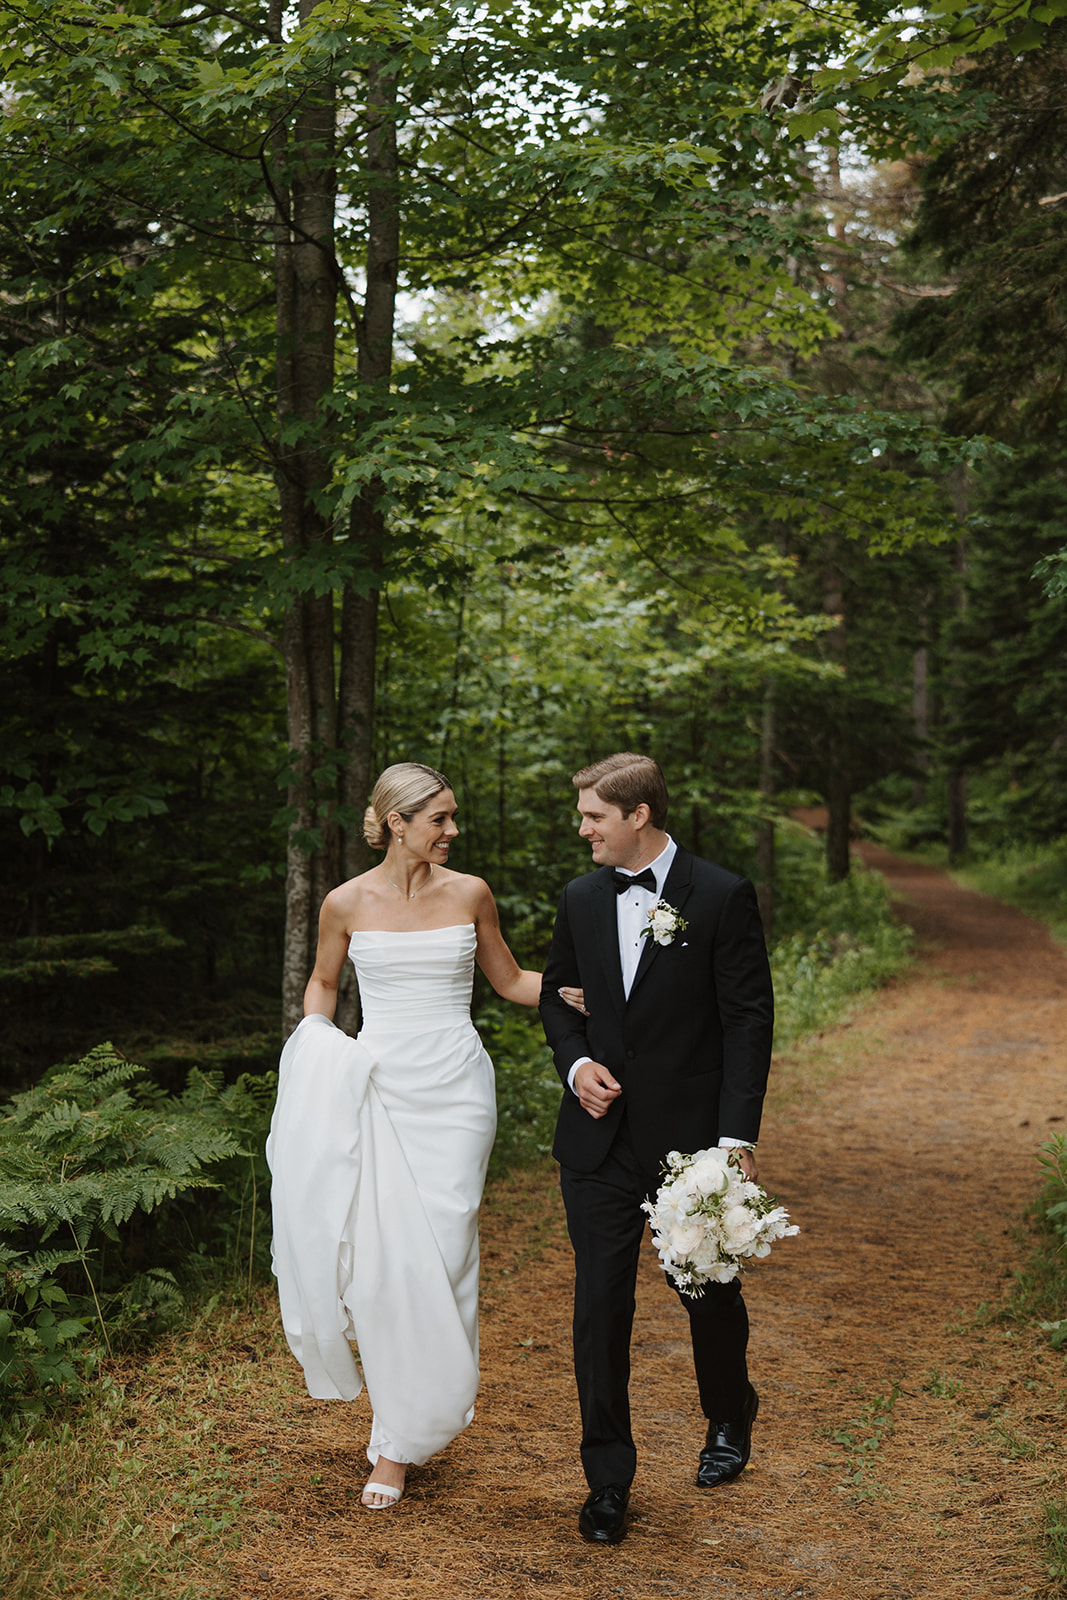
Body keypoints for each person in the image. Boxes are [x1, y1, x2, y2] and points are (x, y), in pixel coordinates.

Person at [267, 761, 567, 1511]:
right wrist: (315, 1043)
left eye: (452, 816)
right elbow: (324, 984)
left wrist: (589, 990)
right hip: (378, 1088)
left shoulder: (469, 894)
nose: (453, 830)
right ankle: (394, 1444)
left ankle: (426, 1409)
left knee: (445, 1245)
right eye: (439, 818)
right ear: (397, 822)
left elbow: (509, 981)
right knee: (380, 1265)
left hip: (457, 1091)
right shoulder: (345, 901)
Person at [539, 752, 775, 1545]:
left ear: (637, 814)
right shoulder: (578, 898)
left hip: (691, 1146)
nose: (582, 830)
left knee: (706, 1295)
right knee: (599, 1309)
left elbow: (748, 1018)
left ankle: (728, 1413)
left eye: (592, 816)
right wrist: (575, 1067)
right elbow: (556, 994)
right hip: (598, 1147)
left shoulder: (719, 895)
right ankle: (607, 1481)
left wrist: (735, 1137)